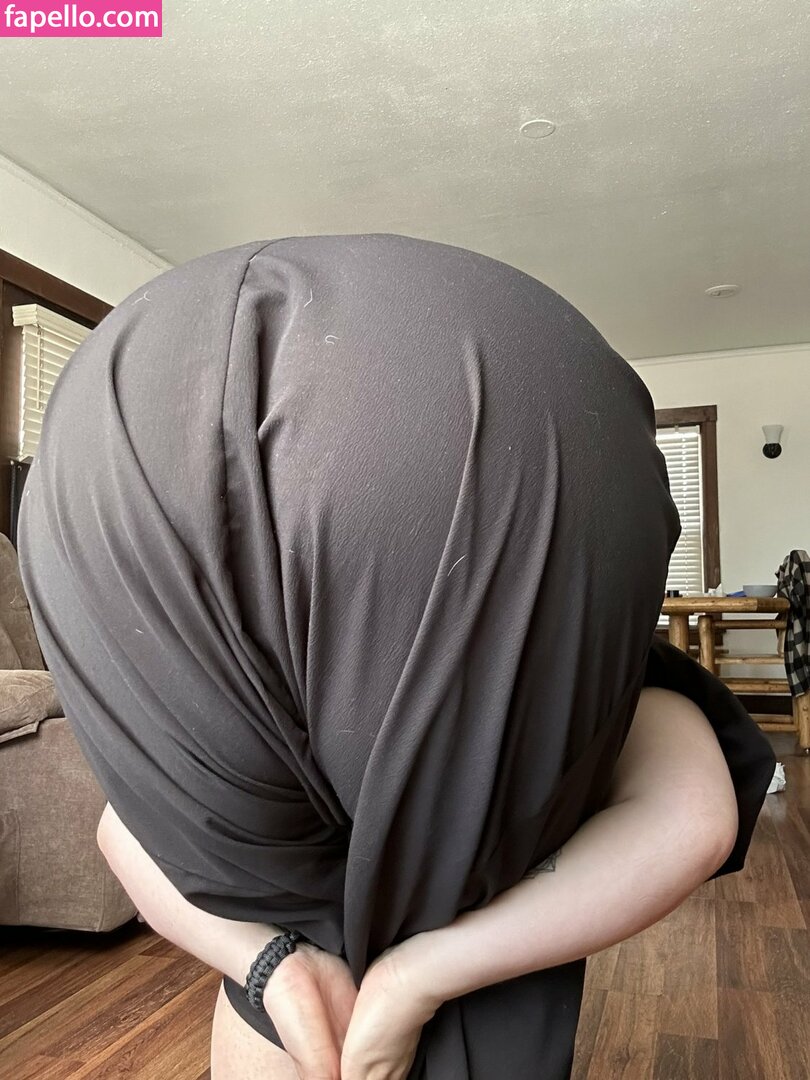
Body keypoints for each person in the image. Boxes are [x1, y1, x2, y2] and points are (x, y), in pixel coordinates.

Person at [17, 234, 775, 1080]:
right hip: (529, 396)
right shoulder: (602, 691)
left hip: (114, 423)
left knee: (277, 895)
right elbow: (695, 815)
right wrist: (421, 973)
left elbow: (123, 830)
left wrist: (271, 965)